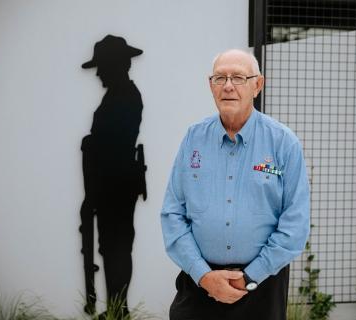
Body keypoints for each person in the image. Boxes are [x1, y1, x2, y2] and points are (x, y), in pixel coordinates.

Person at [161, 49, 310, 320]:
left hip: (260, 288)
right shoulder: (193, 139)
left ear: (258, 85)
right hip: (199, 286)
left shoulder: (283, 143)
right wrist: (203, 275)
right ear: (211, 86)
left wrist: (249, 277)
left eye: (239, 77)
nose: (228, 85)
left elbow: (295, 224)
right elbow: (172, 214)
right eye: (220, 78)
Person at [79, 34, 145, 316]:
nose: (99, 74)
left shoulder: (126, 96)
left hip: (114, 183)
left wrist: (91, 144)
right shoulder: (118, 95)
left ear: (116, 65)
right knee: (112, 247)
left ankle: (119, 309)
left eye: (103, 66)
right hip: (109, 183)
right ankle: (117, 308)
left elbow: (113, 144)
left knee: (117, 248)